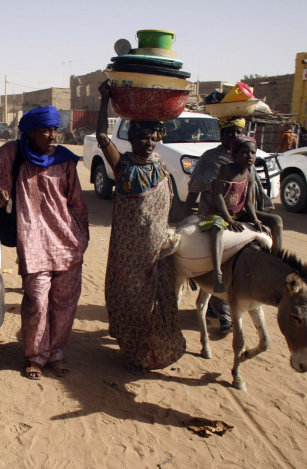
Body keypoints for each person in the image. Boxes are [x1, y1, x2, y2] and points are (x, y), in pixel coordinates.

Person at [0, 105, 89, 380]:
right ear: (30, 132)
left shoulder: (66, 160)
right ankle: (35, 356)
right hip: (33, 242)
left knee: (64, 303)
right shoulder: (14, 153)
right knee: (36, 300)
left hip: (67, 243)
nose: (52, 135)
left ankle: (56, 353)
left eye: (55, 130)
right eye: (46, 130)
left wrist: (81, 239)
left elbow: (78, 204)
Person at [96, 81, 185, 375]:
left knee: (157, 301)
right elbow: (100, 135)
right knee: (132, 301)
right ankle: (134, 353)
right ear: (132, 141)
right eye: (142, 138)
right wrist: (105, 99)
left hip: (156, 248)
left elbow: (167, 205)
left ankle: (154, 348)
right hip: (129, 253)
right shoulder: (124, 167)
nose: (148, 143)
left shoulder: (160, 167)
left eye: (152, 138)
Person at [184, 116, 282, 332]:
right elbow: (196, 187)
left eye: (237, 132)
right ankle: (223, 309)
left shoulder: (247, 158)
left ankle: (275, 265)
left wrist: (258, 217)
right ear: (221, 134)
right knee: (225, 251)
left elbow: (252, 193)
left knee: (266, 233)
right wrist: (185, 213)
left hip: (242, 211)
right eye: (228, 132)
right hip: (217, 211)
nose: (233, 136)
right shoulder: (211, 158)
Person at [198, 136, 267, 292]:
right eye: (244, 152)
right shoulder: (226, 170)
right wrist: (228, 220)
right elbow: (219, 196)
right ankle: (218, 274)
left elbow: (248, 203)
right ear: (234, 155)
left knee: (275, 221)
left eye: (253, 152)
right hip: (219, 213)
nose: (249, 156)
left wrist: (255, 219)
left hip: (238, 213)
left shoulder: (250, 176)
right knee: (217, 228)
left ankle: (276, 260)